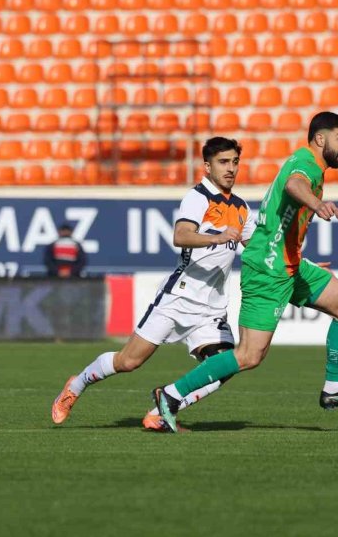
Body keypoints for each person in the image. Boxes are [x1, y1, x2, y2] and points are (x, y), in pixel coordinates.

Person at [152, 112, 338, 433]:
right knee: (248, 356)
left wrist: (302, 256)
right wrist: (316, 204)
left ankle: (333, 388)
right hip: (268, 269)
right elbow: (294, 184)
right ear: (321, 139)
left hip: (290, 264)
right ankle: (171, 395)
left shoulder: (311, 164)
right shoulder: (306, 164)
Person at [52, 138, 255, 431]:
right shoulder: (198, 197)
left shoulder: (241, 207)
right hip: (178, 298)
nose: (231, 168)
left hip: (211, 308)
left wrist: (300, 265)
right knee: (128, 361)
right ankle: (77, 383)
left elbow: (259, 251)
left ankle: (163, 409)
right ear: (208, 166)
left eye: (235, 161)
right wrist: (217, 236)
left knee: (225, 365)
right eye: (224, 162)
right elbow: (181, 235)